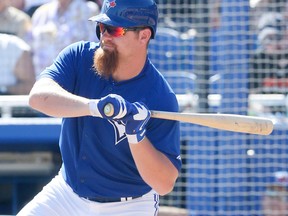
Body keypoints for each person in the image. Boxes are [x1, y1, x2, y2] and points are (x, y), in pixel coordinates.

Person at [17, 0, 181, 215]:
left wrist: (136, 135)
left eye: (115, 29)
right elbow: (38, 97)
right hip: (67, 193)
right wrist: (95, 107)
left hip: (128, 205)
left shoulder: (160, 96)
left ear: (144, 36)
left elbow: (164, 184)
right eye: (102, 27)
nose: (105, 36)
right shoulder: (80, 56)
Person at [31, 0, 100, 77]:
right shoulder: (41, 13)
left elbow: (95, 50)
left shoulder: (89, 10)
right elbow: (31, 52)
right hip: (44, 81)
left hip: (76, 81)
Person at [249, 12, 288, 94]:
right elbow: (252, 93)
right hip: (264, 105)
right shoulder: (257, 60)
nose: (269, 42)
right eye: (265, 38)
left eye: (273, 37)